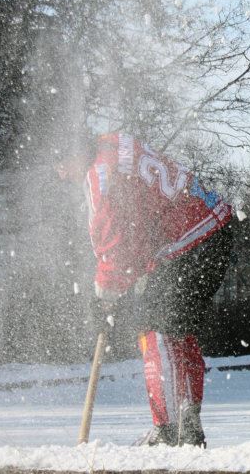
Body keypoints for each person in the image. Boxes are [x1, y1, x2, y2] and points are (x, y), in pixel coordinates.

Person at [60, 132, 233, 447]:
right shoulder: (112, 142)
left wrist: (104, 298)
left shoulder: (100, 177)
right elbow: (136, 232)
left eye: (61, 164)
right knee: (176, 328)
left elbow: (114, 244)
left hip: (188, 241)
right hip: (212, 229)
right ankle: (187, 426)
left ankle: (167, 431)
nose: (61, 174)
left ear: (74, 155)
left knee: (155, 329)